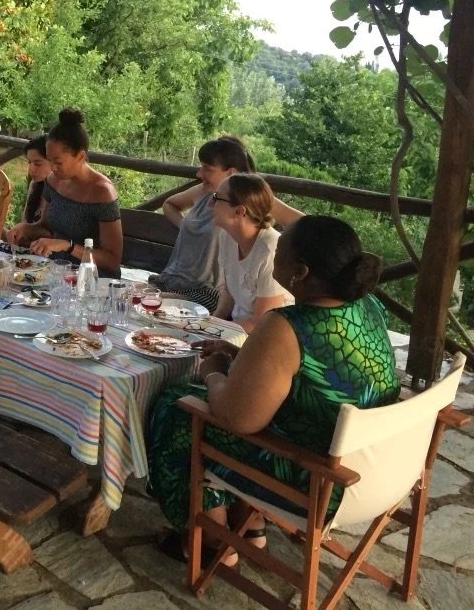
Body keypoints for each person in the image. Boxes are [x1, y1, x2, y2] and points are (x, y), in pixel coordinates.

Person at [146, 215, 400, 565]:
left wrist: (213, 372)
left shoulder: (286, 325)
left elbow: (237, 418)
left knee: (177, 408)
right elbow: (311, 378)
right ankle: (251, 527)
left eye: (280, 250)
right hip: (380, 468)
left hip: (322, 481)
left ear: (300, 272)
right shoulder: (366, 306)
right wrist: (243, 360)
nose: (273, 253)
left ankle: (210, 542)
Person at [152, 136, 302, 312]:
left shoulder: (251, 203)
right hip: (173, 280)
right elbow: (169, 204)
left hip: (207, 293)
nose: (199, 174)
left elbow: (307, 226)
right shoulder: (205, 193)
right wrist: (186, 227)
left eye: (207, 168)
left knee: (153, 302)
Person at [7, 109, 123, 278]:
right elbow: (46, 227)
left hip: (92, 279)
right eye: (49, 160)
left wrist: (67, 246)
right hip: (54, 271)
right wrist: (26, 229)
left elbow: (112, 260)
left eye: (58, 162)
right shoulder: (54, 181)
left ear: (81, 156)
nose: (52, 168)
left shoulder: (102, 192)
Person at [212, 173, 293, 333]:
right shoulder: (227, 236)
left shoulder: (271, 250)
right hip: (234, 329)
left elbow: (261, 323)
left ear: (239, 211)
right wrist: (211, 321)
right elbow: (228, 293)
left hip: (267, 338)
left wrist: (212, 327)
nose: (210, 203)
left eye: (216, 198)